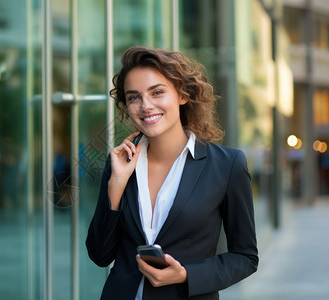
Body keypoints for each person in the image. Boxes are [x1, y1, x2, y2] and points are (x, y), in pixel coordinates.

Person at [86, 46, 258, 299]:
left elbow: (245, 258)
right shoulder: (120, 163)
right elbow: (100, 255)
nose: (145, 106)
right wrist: (116, 185)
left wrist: (186, 274)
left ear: (182, 95)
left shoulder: (227, 165)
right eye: (134, 97)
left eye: (157, 92)